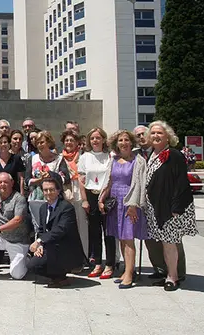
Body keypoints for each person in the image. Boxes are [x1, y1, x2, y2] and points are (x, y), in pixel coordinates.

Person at [143, 121, 197, 291]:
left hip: (169, 208)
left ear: (168, 137)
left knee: (169, 243)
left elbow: (181, 182)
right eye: (153, 133)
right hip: (154, 207)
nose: (156, 136)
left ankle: (173, 277)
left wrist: (177, 207)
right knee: (162, 242)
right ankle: (167, 272)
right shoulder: (151, 154)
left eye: (160, 133)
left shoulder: (174, 155)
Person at [98, 130, 148, 288]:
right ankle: (126, 270)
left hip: (130, 202)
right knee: (121, 238)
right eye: (120, 140)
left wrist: (134, 205)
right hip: (115, 204)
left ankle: (129, 274)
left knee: (128, 238)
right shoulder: (113, 160)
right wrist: (101, 199)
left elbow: (141, 184)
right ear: (116, 143)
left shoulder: (138, 161)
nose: (124, 143)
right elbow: (109, 182)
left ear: (131, 142)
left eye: (127, 140)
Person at [27, 172, 86, 288]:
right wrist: (40, 246)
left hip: (66, 249)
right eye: (45, 190)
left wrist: (40, 241)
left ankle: (61, 277)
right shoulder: (43, 208)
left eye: (52, 189)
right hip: (51, 245)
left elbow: (60, 230)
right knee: (33, 265)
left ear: (58, 191)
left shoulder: (66, 208)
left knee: (45, 258)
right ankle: (56, 276)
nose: (48, 193)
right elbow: (41, 229)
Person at [78, 127, 115, 279]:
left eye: (98, 137)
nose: (95, 140)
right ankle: (98, 263)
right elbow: (81, 180)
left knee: (108, 232)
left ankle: (110, 264)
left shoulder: (110, 156)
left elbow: (111, 178)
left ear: (103, 139)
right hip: (91, 196)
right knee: (94, 232)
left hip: (106, 196)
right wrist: (84, 200)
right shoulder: (85, 157)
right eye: (92, 138)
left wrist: (103, 197)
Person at [59, 129, 88, 262]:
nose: (69, 142)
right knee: (67, 226)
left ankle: (84, 256)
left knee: (82, 226)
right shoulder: (60, 158)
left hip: (80, 192)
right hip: (66, 193)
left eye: (72, 140)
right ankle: (69, 257)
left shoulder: (83, 157)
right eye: (67, 140)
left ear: (77, 142)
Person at [0, 133, 25, 199]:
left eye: (5, 142)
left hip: (13, 195)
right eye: (0, 143)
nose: (3, 144)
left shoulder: (16, 158)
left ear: (9, 144)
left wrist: (22, 195)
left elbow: (21, 178)